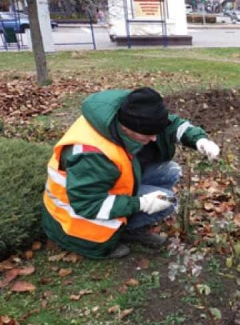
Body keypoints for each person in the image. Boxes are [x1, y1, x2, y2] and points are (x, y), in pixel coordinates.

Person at [42, 87, 221, 259]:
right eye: (148, 135)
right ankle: (116, 235)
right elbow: (88, 204)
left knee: (170, 171)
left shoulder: (129, 112)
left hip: (103, 189)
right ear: (127, 129)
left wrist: (199, 140)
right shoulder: (91, 154)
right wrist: (141, 204)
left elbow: (170, 125)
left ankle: (132, 225)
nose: (154, 138)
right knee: (168, 201)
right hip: (76, 222)